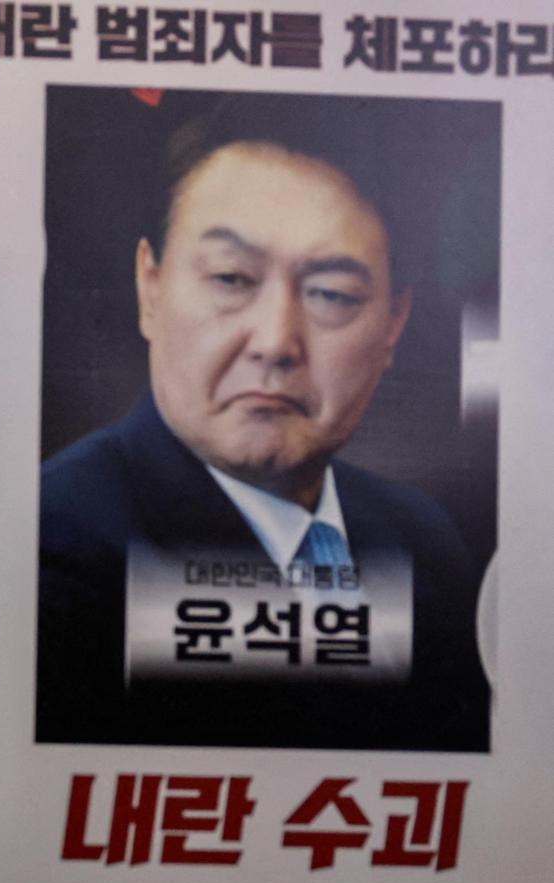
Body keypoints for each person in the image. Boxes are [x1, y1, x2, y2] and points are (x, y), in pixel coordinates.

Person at [37, 96, 491, 752]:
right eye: (231, 278)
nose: (276, 342)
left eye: (332, 294)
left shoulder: (427, 547)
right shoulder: (58, 540)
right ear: (150, 288)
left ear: (394, 325)